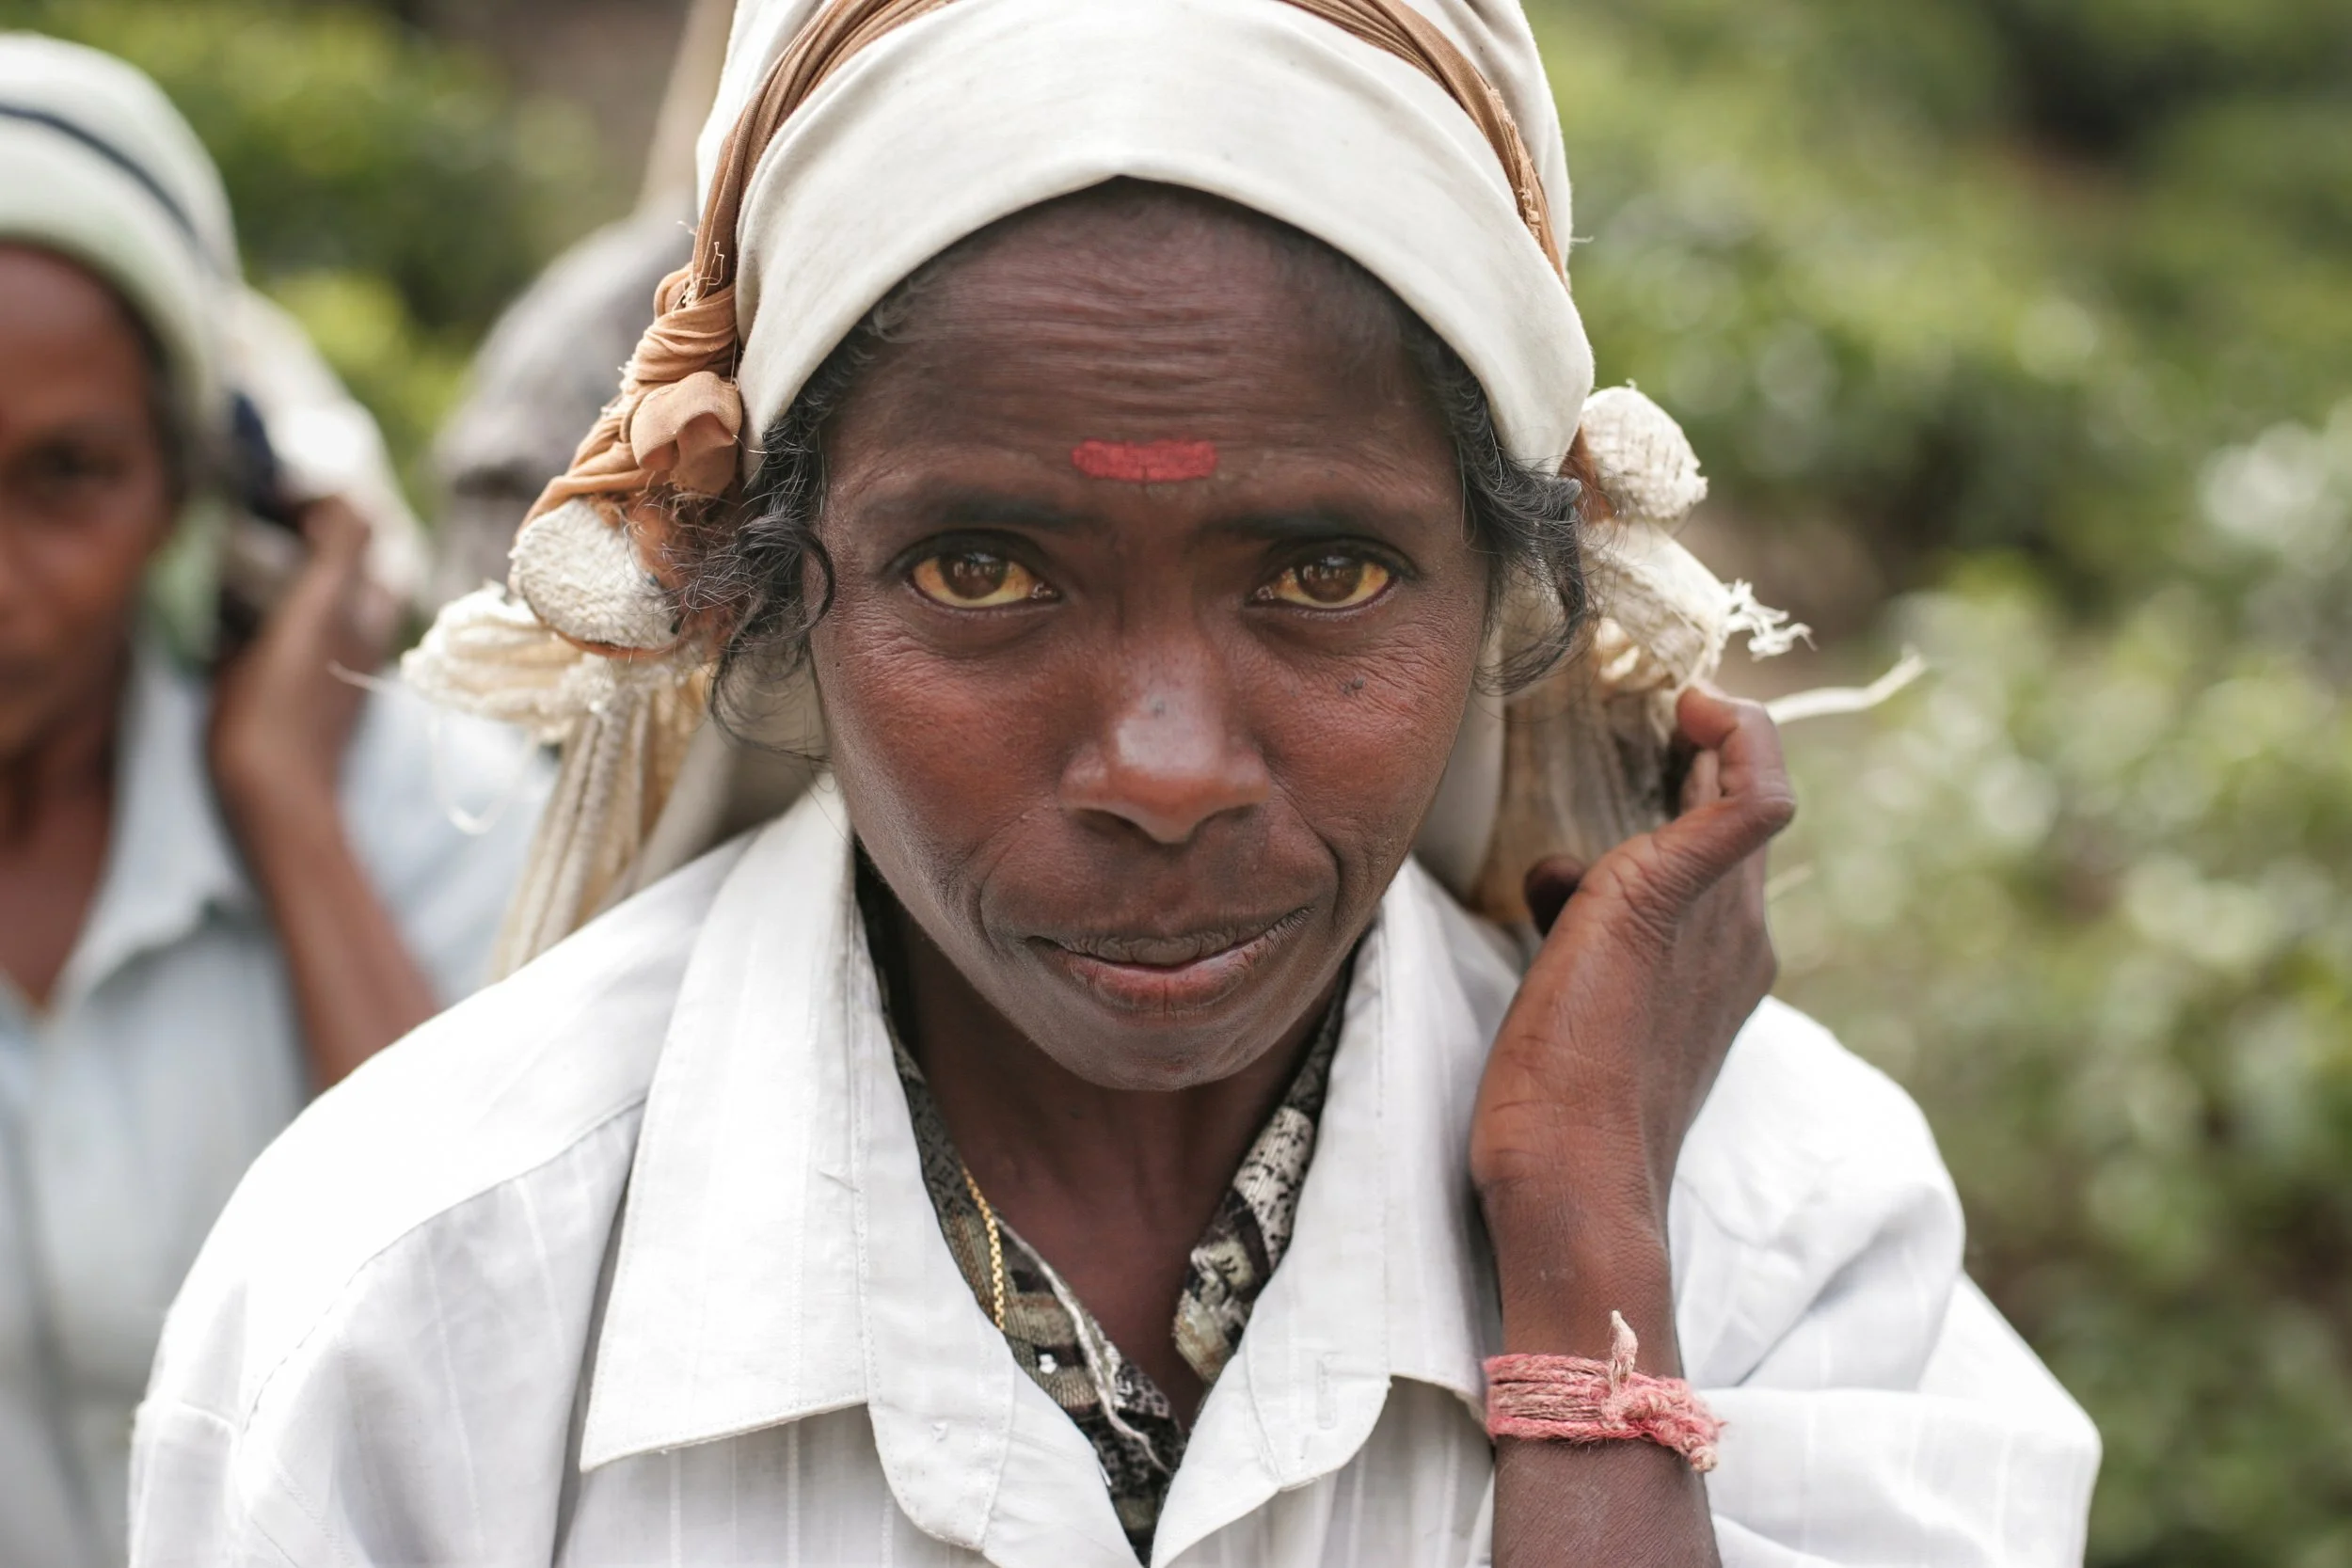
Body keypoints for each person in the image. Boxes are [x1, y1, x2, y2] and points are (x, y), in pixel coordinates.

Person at [132, 2, 2101, 1564]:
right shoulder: (410, 1299)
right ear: (767, 598)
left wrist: (1587, 1270)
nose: (1163, 767)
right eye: (980, 569)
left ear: (1510, 581)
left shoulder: (1776, 1238)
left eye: (1318, 571)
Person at [0, 36, 544, 1568]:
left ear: (192, 485)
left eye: (67, 477)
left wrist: (287, 809)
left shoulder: (417, 809)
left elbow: (503, 1344)